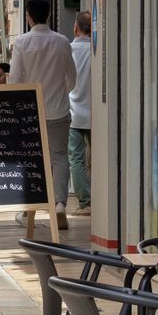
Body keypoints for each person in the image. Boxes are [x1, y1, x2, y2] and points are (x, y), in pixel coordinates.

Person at [8, 0, 77, 229]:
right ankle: (59, 205)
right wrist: (58, 92)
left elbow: (15, 80)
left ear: (28, 16)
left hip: (30, 112)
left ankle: (29, 210)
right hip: (58, 111)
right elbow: (71, 79)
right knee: (59, 157)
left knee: (30, 159)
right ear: (48, 14)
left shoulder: (22, 43)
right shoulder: (62, 42)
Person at [69, 12, 93, 216]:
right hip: (96, 114)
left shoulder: (68, 50)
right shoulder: (99, 50)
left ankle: (85, 202)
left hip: (73, 113)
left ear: (76, 28)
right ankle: (102, 197)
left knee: (76, 158)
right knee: (99, 157)